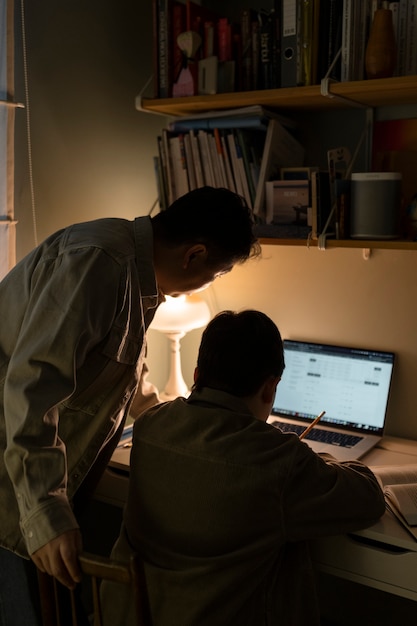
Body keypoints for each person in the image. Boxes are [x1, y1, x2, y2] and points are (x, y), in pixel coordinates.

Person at [0, 186, 260, 626]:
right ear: (194, 254)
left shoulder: (139, 279)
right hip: (13, 493)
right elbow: (32, 388)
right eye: (215, 275)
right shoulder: (97, 265)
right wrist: (45, 510)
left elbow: (121, 377)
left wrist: (178, 427)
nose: (206, 285)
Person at [104, 309, 386, 626]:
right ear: (269, 388)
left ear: (197, 375)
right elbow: (368, 496)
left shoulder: (150, 425)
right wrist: (320, 459)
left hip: (136, 614)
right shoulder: (277, 458)